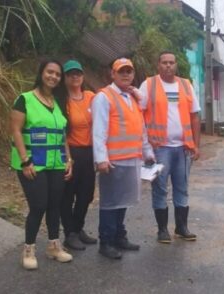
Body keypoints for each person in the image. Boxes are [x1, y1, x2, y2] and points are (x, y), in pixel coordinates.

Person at [10, 59, 73, 270]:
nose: (53, 77)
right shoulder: (25, 99)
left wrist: (68, 159)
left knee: (55, 205)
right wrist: (25, 160)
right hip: (32, 163)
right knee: (38, 206)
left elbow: (62, 135)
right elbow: (16, 130)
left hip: (56, 163)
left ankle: (54, 246)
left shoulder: (57, 102)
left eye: (57, 74)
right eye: (50, 72)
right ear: (41, 73)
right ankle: (28, 249)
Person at [92, 58, 155, 259]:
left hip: (132, 159)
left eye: (129, 71)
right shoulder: (104, 97)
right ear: (113, 74)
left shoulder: (133, 97)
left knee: (123, 201)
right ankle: (106, 241)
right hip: (113, 161)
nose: (126, 75)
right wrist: (101, 158)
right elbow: (98, 130)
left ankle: (120, 236)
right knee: (110, 202)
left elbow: (140, 128)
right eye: (121, 71)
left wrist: (148, 152)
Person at [139, 51, 201, 244]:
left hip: (183, 148)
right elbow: (138, 115)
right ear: (158, 65)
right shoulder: (149, 85)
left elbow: (195, 116)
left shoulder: (185, 85)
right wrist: (144, 146)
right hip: (159, 148)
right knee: (160, 189)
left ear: (176, 65)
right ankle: (162, 230)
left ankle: (181, 227)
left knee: (182, 188)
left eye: (171, 63)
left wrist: (196, 145)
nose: (168, 66)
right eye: (164, 62)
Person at [60, 60, 97, 250]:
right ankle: (70, 233)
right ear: (65, 78)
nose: (75, 76)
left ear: (83, 76)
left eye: (78, 73)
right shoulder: (61, 101)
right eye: (70, 74)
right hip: (71, 151)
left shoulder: (91, 96)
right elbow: (61, 131)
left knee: (86, 194)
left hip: (89, 151)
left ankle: (78, 227)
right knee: (68, 194)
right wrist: (67, 158)